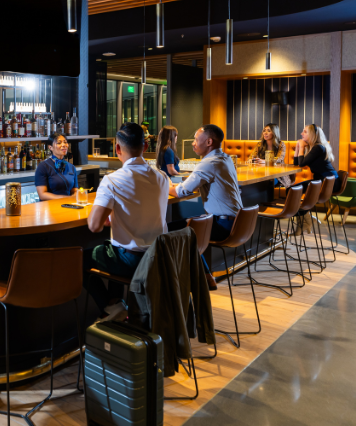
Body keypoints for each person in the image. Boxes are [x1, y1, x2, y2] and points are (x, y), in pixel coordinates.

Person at [86, 123, 170, 320]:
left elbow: (94, 226)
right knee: (112, 247)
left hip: (132, 262)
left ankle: (111, 306)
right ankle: (117, 303)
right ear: (145, 147)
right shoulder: (162, 177)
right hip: (159, 259)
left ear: (117, 148)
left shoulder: (112, 180)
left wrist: (107, 214)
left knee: (83, 259)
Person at [175, 125, 243, 288]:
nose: (193, 143)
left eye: (196, 140)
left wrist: (163, 185)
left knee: (174, 229)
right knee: (187, 226)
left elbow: (181, 191)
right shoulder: (225, 158)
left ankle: (186, 282)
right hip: (237, 223)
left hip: (224, 225)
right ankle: (205, 275)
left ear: (209, 142)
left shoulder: (208, 163)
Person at [294, 123, 339, 189]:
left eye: (305, 132)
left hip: (330, 182)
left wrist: (301, 147)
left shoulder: (318, 147)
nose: (301, 133)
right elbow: (296, 164)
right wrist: (297, 148)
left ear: (313, 135)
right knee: (292, 189)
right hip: (322, 180)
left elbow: (301, 164)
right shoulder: (312, 147)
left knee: (291, 190)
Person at [35, 133, 78, 201]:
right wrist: (66, 199)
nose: (64, 145)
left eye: (65, 142)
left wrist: (75, 196)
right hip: (50, 208)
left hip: (69, 206)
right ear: (50, 147)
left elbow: (75, 191)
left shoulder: (72, 167)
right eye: (59, 143)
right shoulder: (43, 166)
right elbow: (42, 195)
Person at [250, 123, 291, 188]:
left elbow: (279, 159)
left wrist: (265, 161)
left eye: (269, 131)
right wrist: (254, 160)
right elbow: (251, 157)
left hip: (277, 175)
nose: (265, 133)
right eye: (264, 130)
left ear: (274, 133)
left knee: (265, 182)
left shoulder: (281, 145)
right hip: (261, 173)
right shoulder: (259, 144)